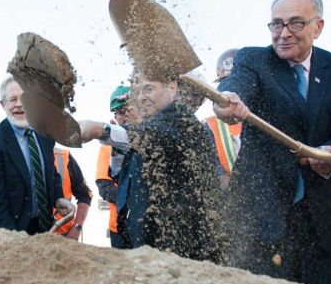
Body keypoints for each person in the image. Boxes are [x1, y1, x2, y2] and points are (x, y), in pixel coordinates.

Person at [213, 0, 331, 284]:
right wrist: (226, 101)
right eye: (276, 24)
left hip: (322, 216)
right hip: (261, 213)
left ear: (317, 27)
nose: (283, 34)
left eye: (295, 23)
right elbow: (234, 88)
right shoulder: (254, 59)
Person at [80, 72, 226, 262]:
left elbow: (154, 134)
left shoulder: (181, 119)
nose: (141, 97)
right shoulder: (150, 125)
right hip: (145, 239)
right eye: (137, 91)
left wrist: (100, 130)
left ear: (172, 88)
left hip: (181, 246)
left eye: (148, 89)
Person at [0, 76, 73, 234]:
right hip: (2, 229)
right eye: (13, 99)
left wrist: (58, 197)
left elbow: (50, 171)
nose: (19, 104)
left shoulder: (45, 134)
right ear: (3, 104)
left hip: (40, 226)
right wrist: (16, 242)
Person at [95, 85, 139, 248]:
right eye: (120, 112)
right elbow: (104, 187)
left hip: (148, 224)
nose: (125, 115)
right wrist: (132, 197)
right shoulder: (107, 147)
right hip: (119, 227)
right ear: (115, 115)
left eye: (129, 109)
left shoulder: (151, 140)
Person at [204, 49, 242, 187]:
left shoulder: (264, 120)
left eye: (237, 83)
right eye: (226, 83)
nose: (232, 90)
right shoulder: (209, 126)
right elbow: (210, 160)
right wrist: (221, 176)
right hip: (230, 197)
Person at [52, 147, 92, 240]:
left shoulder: (63, 156)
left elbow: (85, 195)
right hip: (24, 234)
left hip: (62, 234)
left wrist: (77, 228)